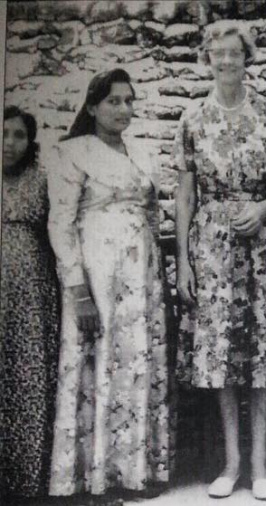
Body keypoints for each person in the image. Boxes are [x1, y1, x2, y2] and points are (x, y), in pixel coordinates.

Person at [173, 22, 266, 501]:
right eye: (218, 53)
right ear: (207, 58)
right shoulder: (192, 119)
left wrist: (265, 208)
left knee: (260, 353)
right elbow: (185, 195)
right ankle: (231, 462)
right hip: (212, 250)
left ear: (247, 57)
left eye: (235, 53)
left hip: (264, 247)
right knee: (222, 356)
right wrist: (184, 262)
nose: (226, 61)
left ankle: (260, 464)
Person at [45, 68, 170, 497]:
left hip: (141, 276)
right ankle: (92, 474)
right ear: (93, 106)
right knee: (97, 362)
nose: (123, 109)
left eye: (129, 101)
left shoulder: (143, 154)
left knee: (136, 363)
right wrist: (77, 290)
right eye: (114, 101)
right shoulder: (73, 152)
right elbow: (61, 224)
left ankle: (134, 472)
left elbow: (152, 215)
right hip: (96, 276)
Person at [0, 106, 61, 500]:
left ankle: (26, 478)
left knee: (26, 377)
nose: (9, 143)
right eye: (3, 133)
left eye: (19, 135)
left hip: (30, 296)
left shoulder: (42, 180)